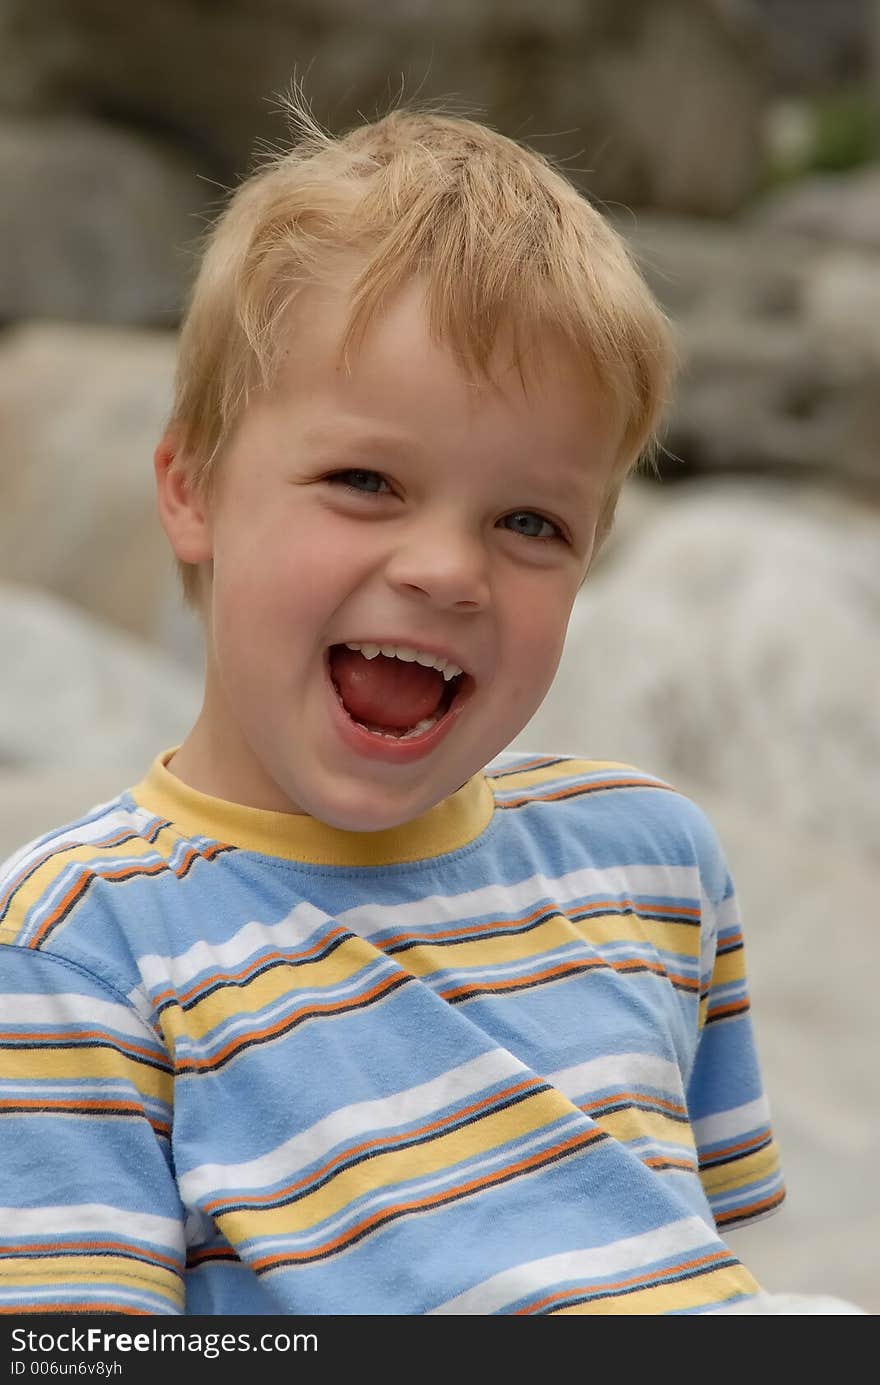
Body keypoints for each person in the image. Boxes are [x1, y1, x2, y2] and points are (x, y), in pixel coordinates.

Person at [0, 96, 856, 1318]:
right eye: (366, 481)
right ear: (191, 488)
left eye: (530, 522)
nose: (448, 570)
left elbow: (682, 1270)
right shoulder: (79, 944)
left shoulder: (653, 860)